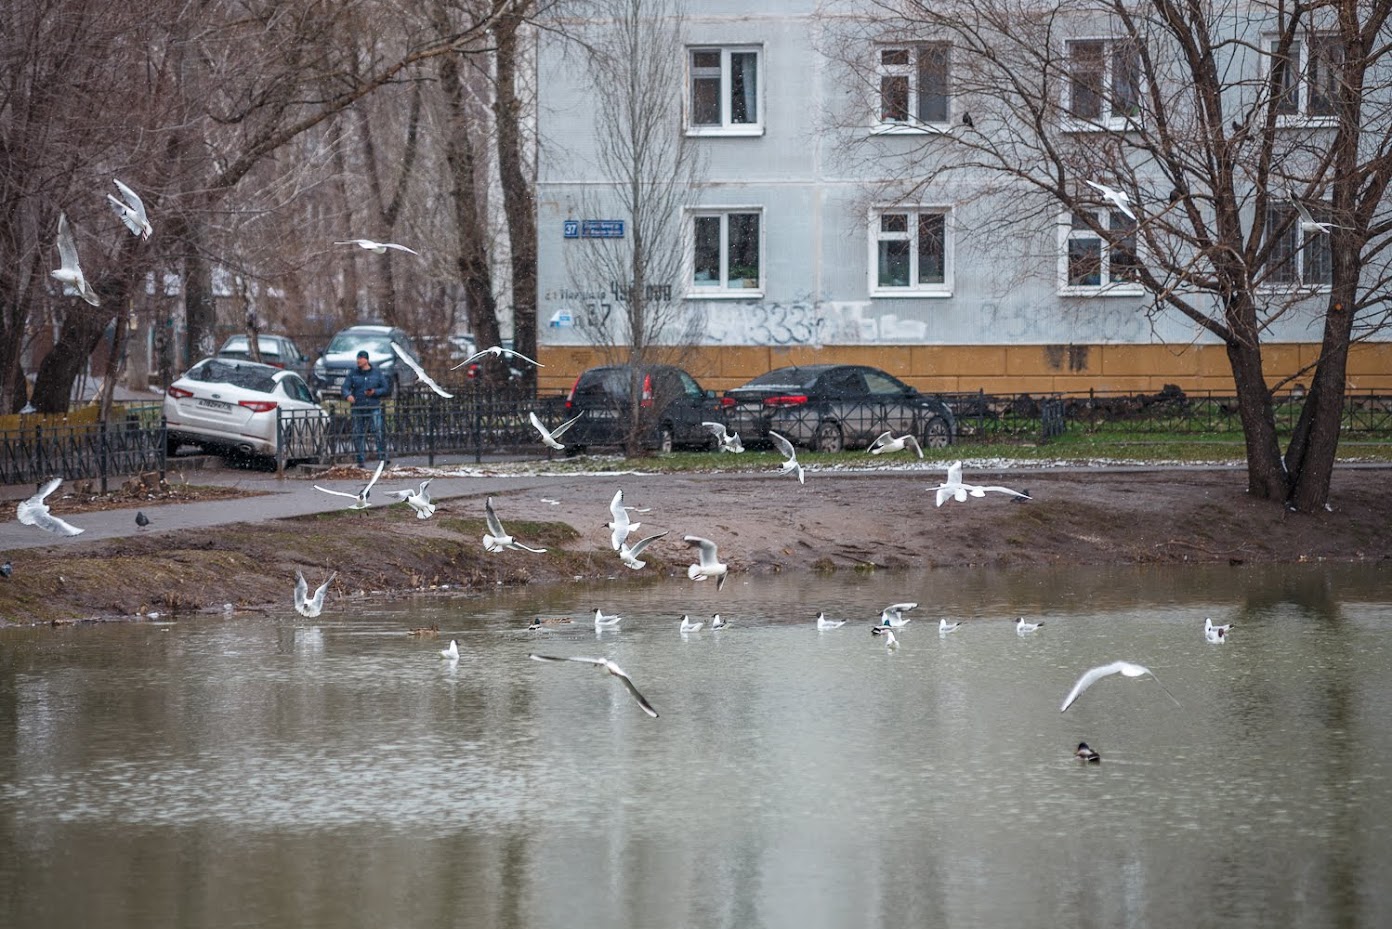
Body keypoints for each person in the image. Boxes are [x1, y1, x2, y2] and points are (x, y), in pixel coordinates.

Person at [342, 349, 391, 467]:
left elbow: (386, 388)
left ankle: (382, 457)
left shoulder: (376, 373)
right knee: (358, 433)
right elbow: (345, 387)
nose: (358, 361)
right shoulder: (353, 373)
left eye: (361, 358)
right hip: (358, 406)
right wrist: (348, 395)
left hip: (373, 405)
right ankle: (360, 459)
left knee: (378, 432)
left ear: (366, 360)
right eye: (357, 358)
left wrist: (374, 392)